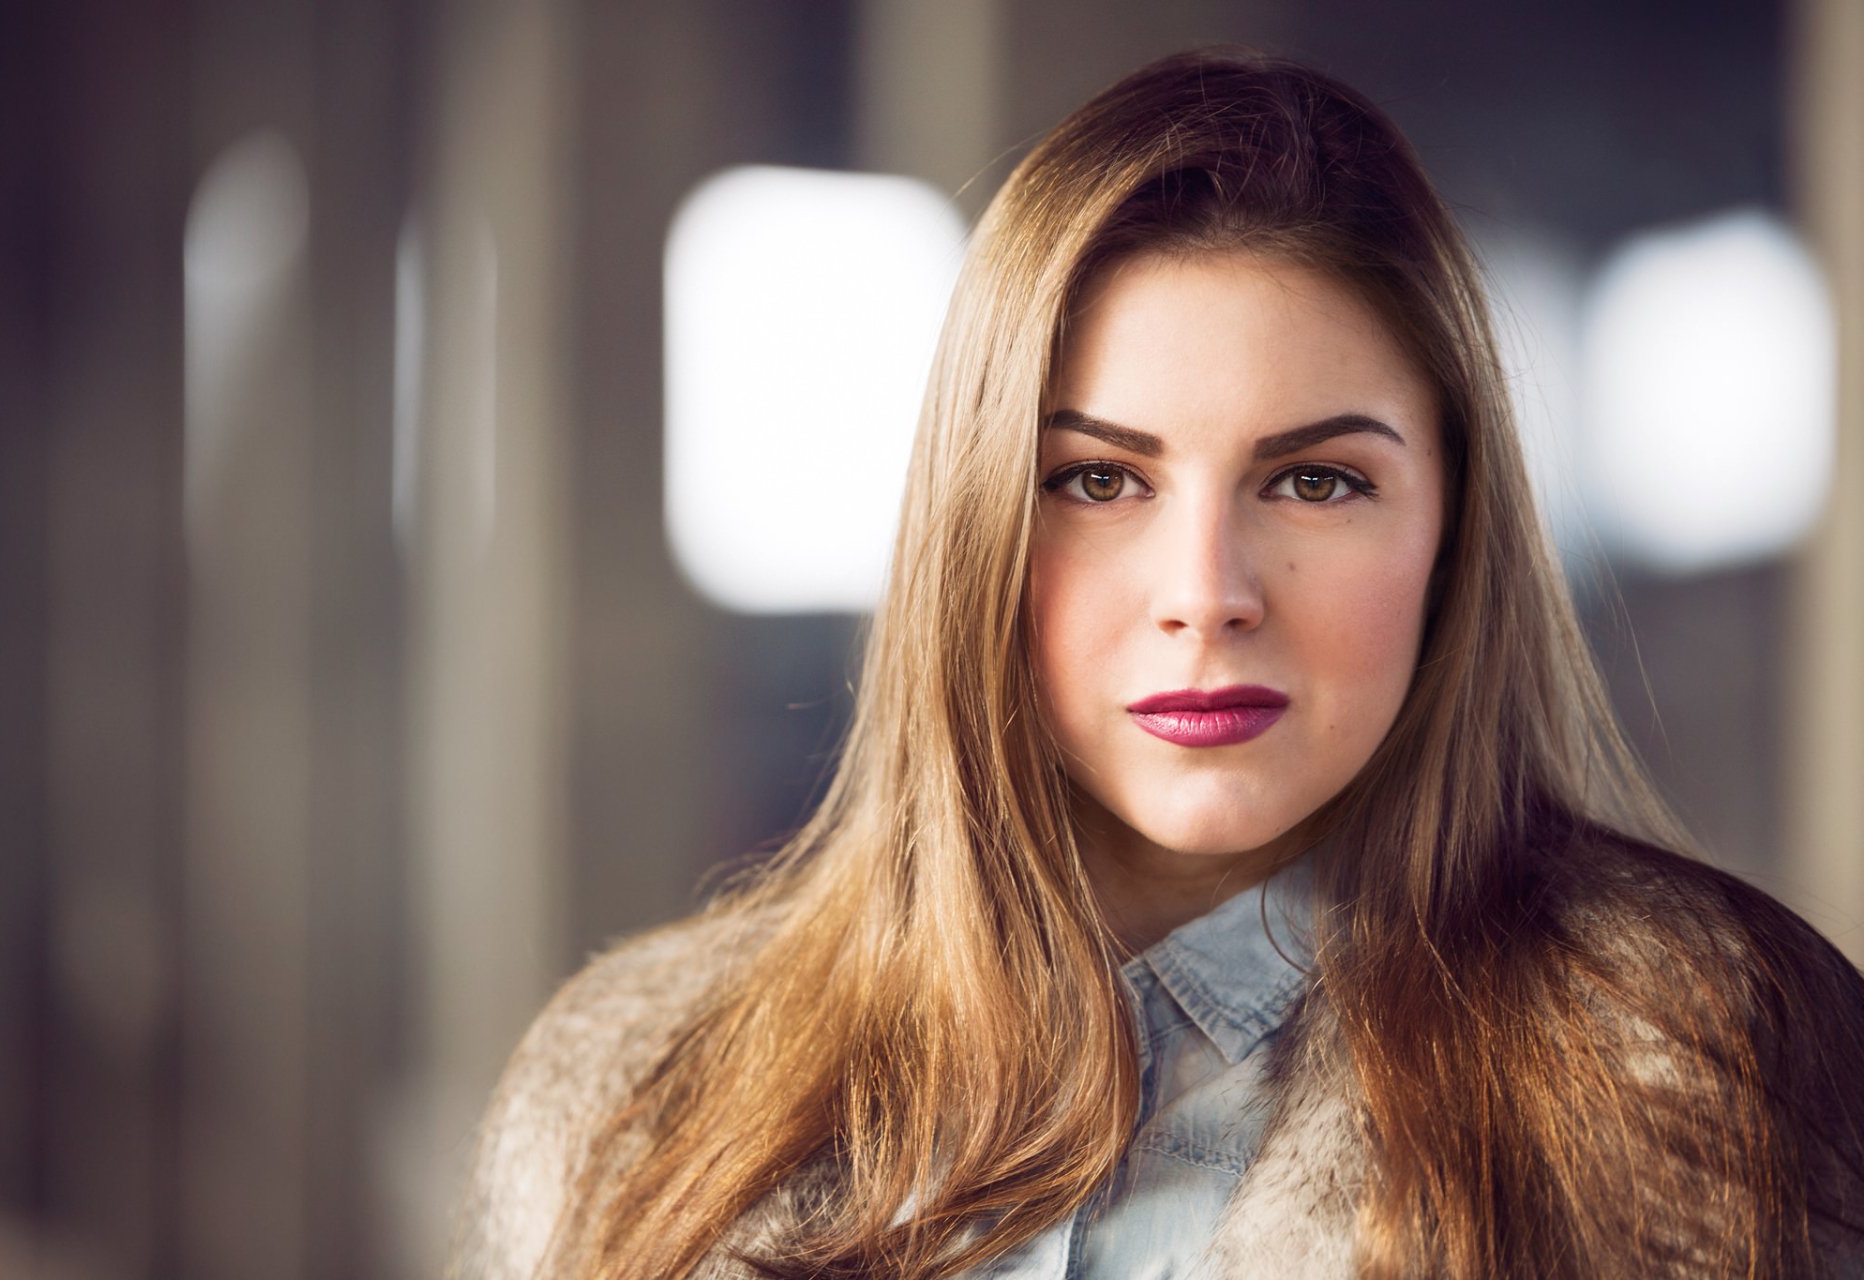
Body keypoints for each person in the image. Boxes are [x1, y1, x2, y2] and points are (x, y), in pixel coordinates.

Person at [452, 48, 1864, 1280]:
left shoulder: (1697, 1065)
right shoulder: (629, 1085)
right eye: (1097, 483)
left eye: (1314, 484)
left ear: (1455, 525)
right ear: (972, 525)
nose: (1207, 597)